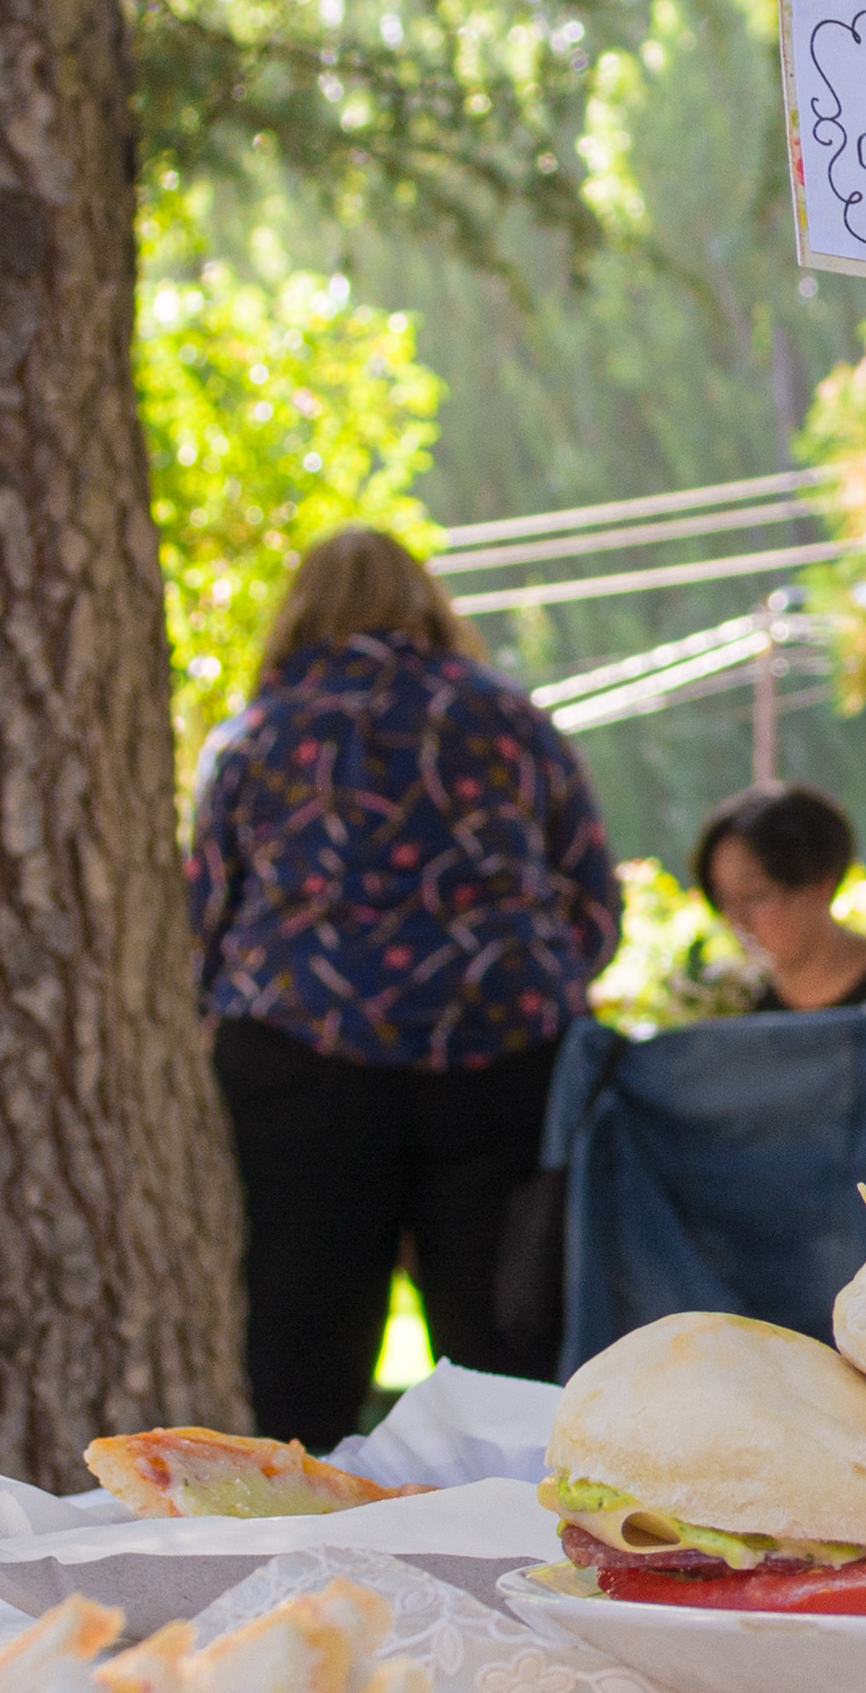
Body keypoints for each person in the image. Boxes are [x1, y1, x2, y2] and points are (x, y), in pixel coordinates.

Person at [189, 525, 621, 1439]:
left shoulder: (257, 734)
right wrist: (519, 984)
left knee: (302, 1352)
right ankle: (517, 1551)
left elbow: (202, 920)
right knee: (505, 1352)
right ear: (430, 605)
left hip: (298, 1066)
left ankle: (306, 1560)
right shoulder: (510, 719)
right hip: (501, 1060)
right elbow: (591, 897)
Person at [692, 784, 866, 1017]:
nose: (738, 921)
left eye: (755, 896)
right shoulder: (751, 1009)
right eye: (725, 902)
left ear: (821, 881)